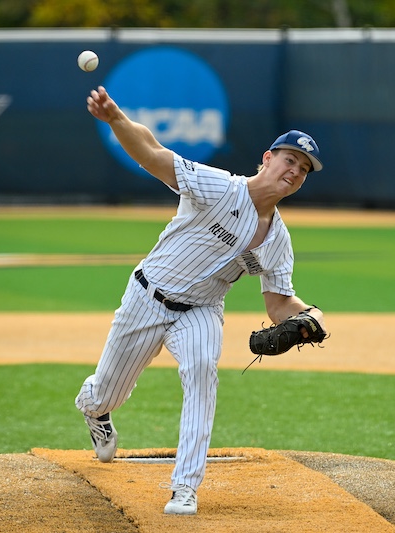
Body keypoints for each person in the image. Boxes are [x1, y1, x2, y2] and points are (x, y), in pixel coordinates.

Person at [75, 85, 327, 516]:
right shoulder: (220, 187)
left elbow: (278, 304)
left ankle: (185, 488)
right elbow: (154, 154)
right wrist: (116, 119)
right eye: (290, 159)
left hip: (202, 310)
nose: (294, 171)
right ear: (267, 159)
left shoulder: (278, 240)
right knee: (107, 393)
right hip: (147, 295)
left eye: (303, 169)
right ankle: (94, 409)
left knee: (202, 373)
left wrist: (310, 314)